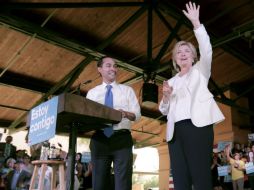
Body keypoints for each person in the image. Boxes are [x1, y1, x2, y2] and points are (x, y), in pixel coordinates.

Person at [159, 2, 225, 190]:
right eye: (178, 52)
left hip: (198, 128)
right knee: (180, 177)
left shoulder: (200, 71)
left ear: (194, 56)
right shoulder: (170, 82)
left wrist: (196, 23)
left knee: (200, 174)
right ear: (174, 59)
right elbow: (163, 110)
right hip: (174, 133)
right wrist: (165, 97)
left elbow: (207, 49)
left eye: (187, 50)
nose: (183, 54)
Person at [86, 56, 141, 190]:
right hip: (100, 139)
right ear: (100, 69)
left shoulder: (127, 91)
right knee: (99, 184)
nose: (113, 68)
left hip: (122, 140)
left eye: (115, 66)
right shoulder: (92, 93)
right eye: (109, 65)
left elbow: (137, 115)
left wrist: (125, 113)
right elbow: (86, 117)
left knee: (123, 184)